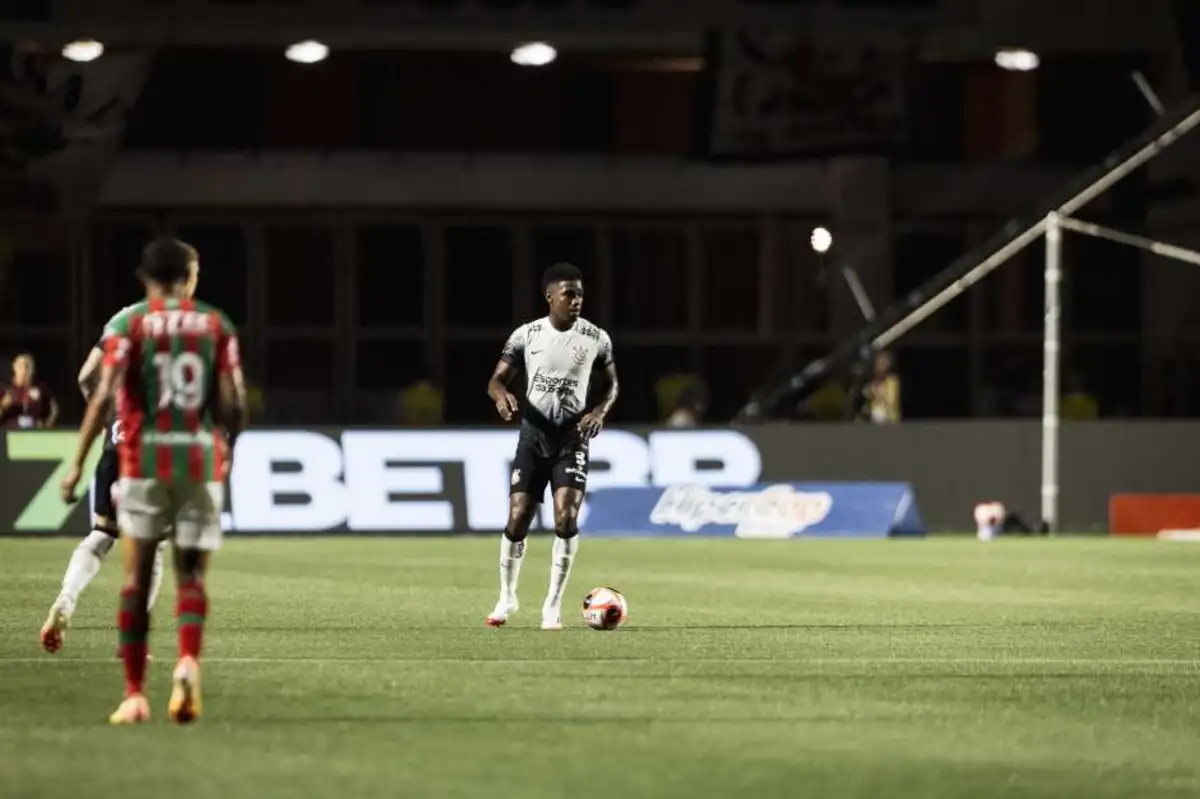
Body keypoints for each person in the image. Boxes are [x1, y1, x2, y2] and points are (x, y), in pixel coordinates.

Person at [59, 236, 247, 726]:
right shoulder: (214, 324)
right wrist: (228, 451)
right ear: (191, 276)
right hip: (199, 459)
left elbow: (99, 393)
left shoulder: (134, 323)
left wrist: (78, 462)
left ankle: (136, 694)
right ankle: (187, 662)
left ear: (145, 278)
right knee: (191, 575)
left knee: (137, 574)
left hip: (144, 459)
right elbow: (235, 402)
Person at [38, 259, 201, 655]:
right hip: (162, 447)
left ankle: (66, 599)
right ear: (185, 279)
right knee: (155, 545)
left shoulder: (123, 321)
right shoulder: (195, 324)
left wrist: (114, 416)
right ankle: (135, 636)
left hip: (120, 441)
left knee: (102, 534)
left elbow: (84, 378)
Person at [484, 262, 618, 630]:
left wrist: (598, 412)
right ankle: (506, 596)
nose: (576, 300)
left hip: (571, 438)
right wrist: (500, 396)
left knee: (566, 516)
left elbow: (611, 385)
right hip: (532, 437)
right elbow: (496, 380)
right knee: (518, 516)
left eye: (580, 293)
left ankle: (552, 605)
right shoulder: (526, 336)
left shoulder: (596, 338)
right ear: (550, 297)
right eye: (568, 294)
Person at [0, 352, 58, 429]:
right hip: (9, 433)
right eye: (20, 366)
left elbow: (54, 409)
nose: (24, 371)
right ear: (14, 367)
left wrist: (46, 425)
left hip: (33, 434)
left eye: (27, 367)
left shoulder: (40, 388)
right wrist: (3, 405)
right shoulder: (4, 388)